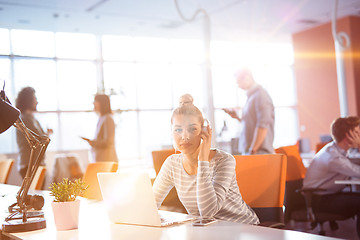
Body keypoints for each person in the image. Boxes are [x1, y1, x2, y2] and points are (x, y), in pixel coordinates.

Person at [152, 103, 259, 224]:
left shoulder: (224, 161)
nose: (185, 136)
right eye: (178, 129)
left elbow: (208, 213)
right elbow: (150, 204)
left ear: (204, 131)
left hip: (243, 227)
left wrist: (202, 159)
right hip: (208, 232)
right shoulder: (172, 164)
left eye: (192, 129)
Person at [303, 116, 360, 238]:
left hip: (327, 195)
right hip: (320, 201)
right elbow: (357, 171)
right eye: (356, 133)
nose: (359, 135)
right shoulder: (333, 157)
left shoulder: (335, 150)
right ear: (348, 136)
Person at [223, 67, 274, 155]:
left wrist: (253, 149)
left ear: (247, 77)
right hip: (251, 151)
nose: (238, 86)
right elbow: (251, 123)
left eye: (239, 82)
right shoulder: (251, 97)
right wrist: (237, 117)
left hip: (258, 152)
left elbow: (263, 125)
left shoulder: (261, 95)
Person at [15, 87, 52, 179]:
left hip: (33, 164)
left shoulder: (31, 119)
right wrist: (46, 136)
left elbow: (39, 138)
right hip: (30, 165)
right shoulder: (25, 119)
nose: (37, 102)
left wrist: (46, 134)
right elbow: (38, 140)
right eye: (35, 98)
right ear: (29, 100)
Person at [81, 94, 118, 162]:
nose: (93, 103)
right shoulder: (102, 118)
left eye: (95, 101)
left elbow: (108, 142)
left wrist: (92, 143)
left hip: (107, 160)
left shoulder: (108, 118)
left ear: (102, 103)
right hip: (101, 159)